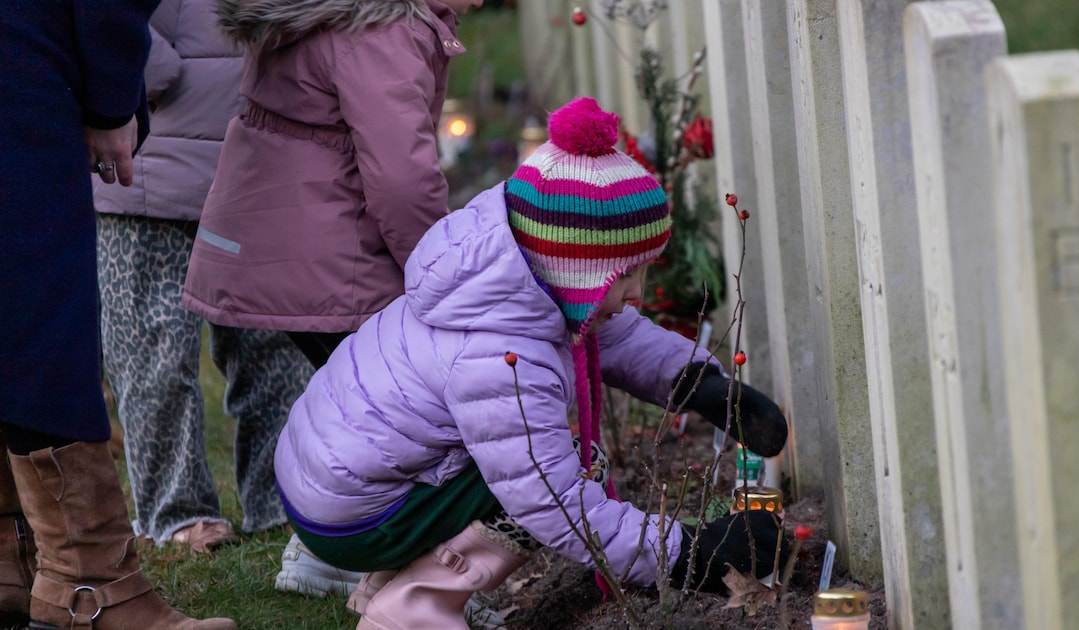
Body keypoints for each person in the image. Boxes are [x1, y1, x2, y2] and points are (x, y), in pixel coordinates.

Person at [273, 97, 792, 630]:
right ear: (574, 269)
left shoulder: (503, 275)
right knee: (563, 469)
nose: (638, 294)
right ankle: (411, 610)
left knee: (540, 461)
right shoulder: (501, 357)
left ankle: (392, 580)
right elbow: (553, 503)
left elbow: (608, 333)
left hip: (338, 481)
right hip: (354, 515)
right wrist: (687, 553)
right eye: (626, 275)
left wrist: (702, 387)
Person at [182, 0, 484, 596]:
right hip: (331, 256)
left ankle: (323, 555)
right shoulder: (384, 29)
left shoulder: (349, 13)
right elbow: (403, 181)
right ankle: (387, 575)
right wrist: (445, 278)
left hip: (285, 239)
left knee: (362, 413)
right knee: (410, 423)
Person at [0, 1, 236, 628]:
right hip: (23, 62)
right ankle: (90, 584)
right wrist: (109, 99)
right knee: (42, 317)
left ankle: (10, 561)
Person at [94, 0, 316, 554]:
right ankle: (178, 513)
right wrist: (132, 68)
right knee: (155, 347)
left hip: (257, 151)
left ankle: (283, 498)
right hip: (149, 153)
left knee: (274, 343)